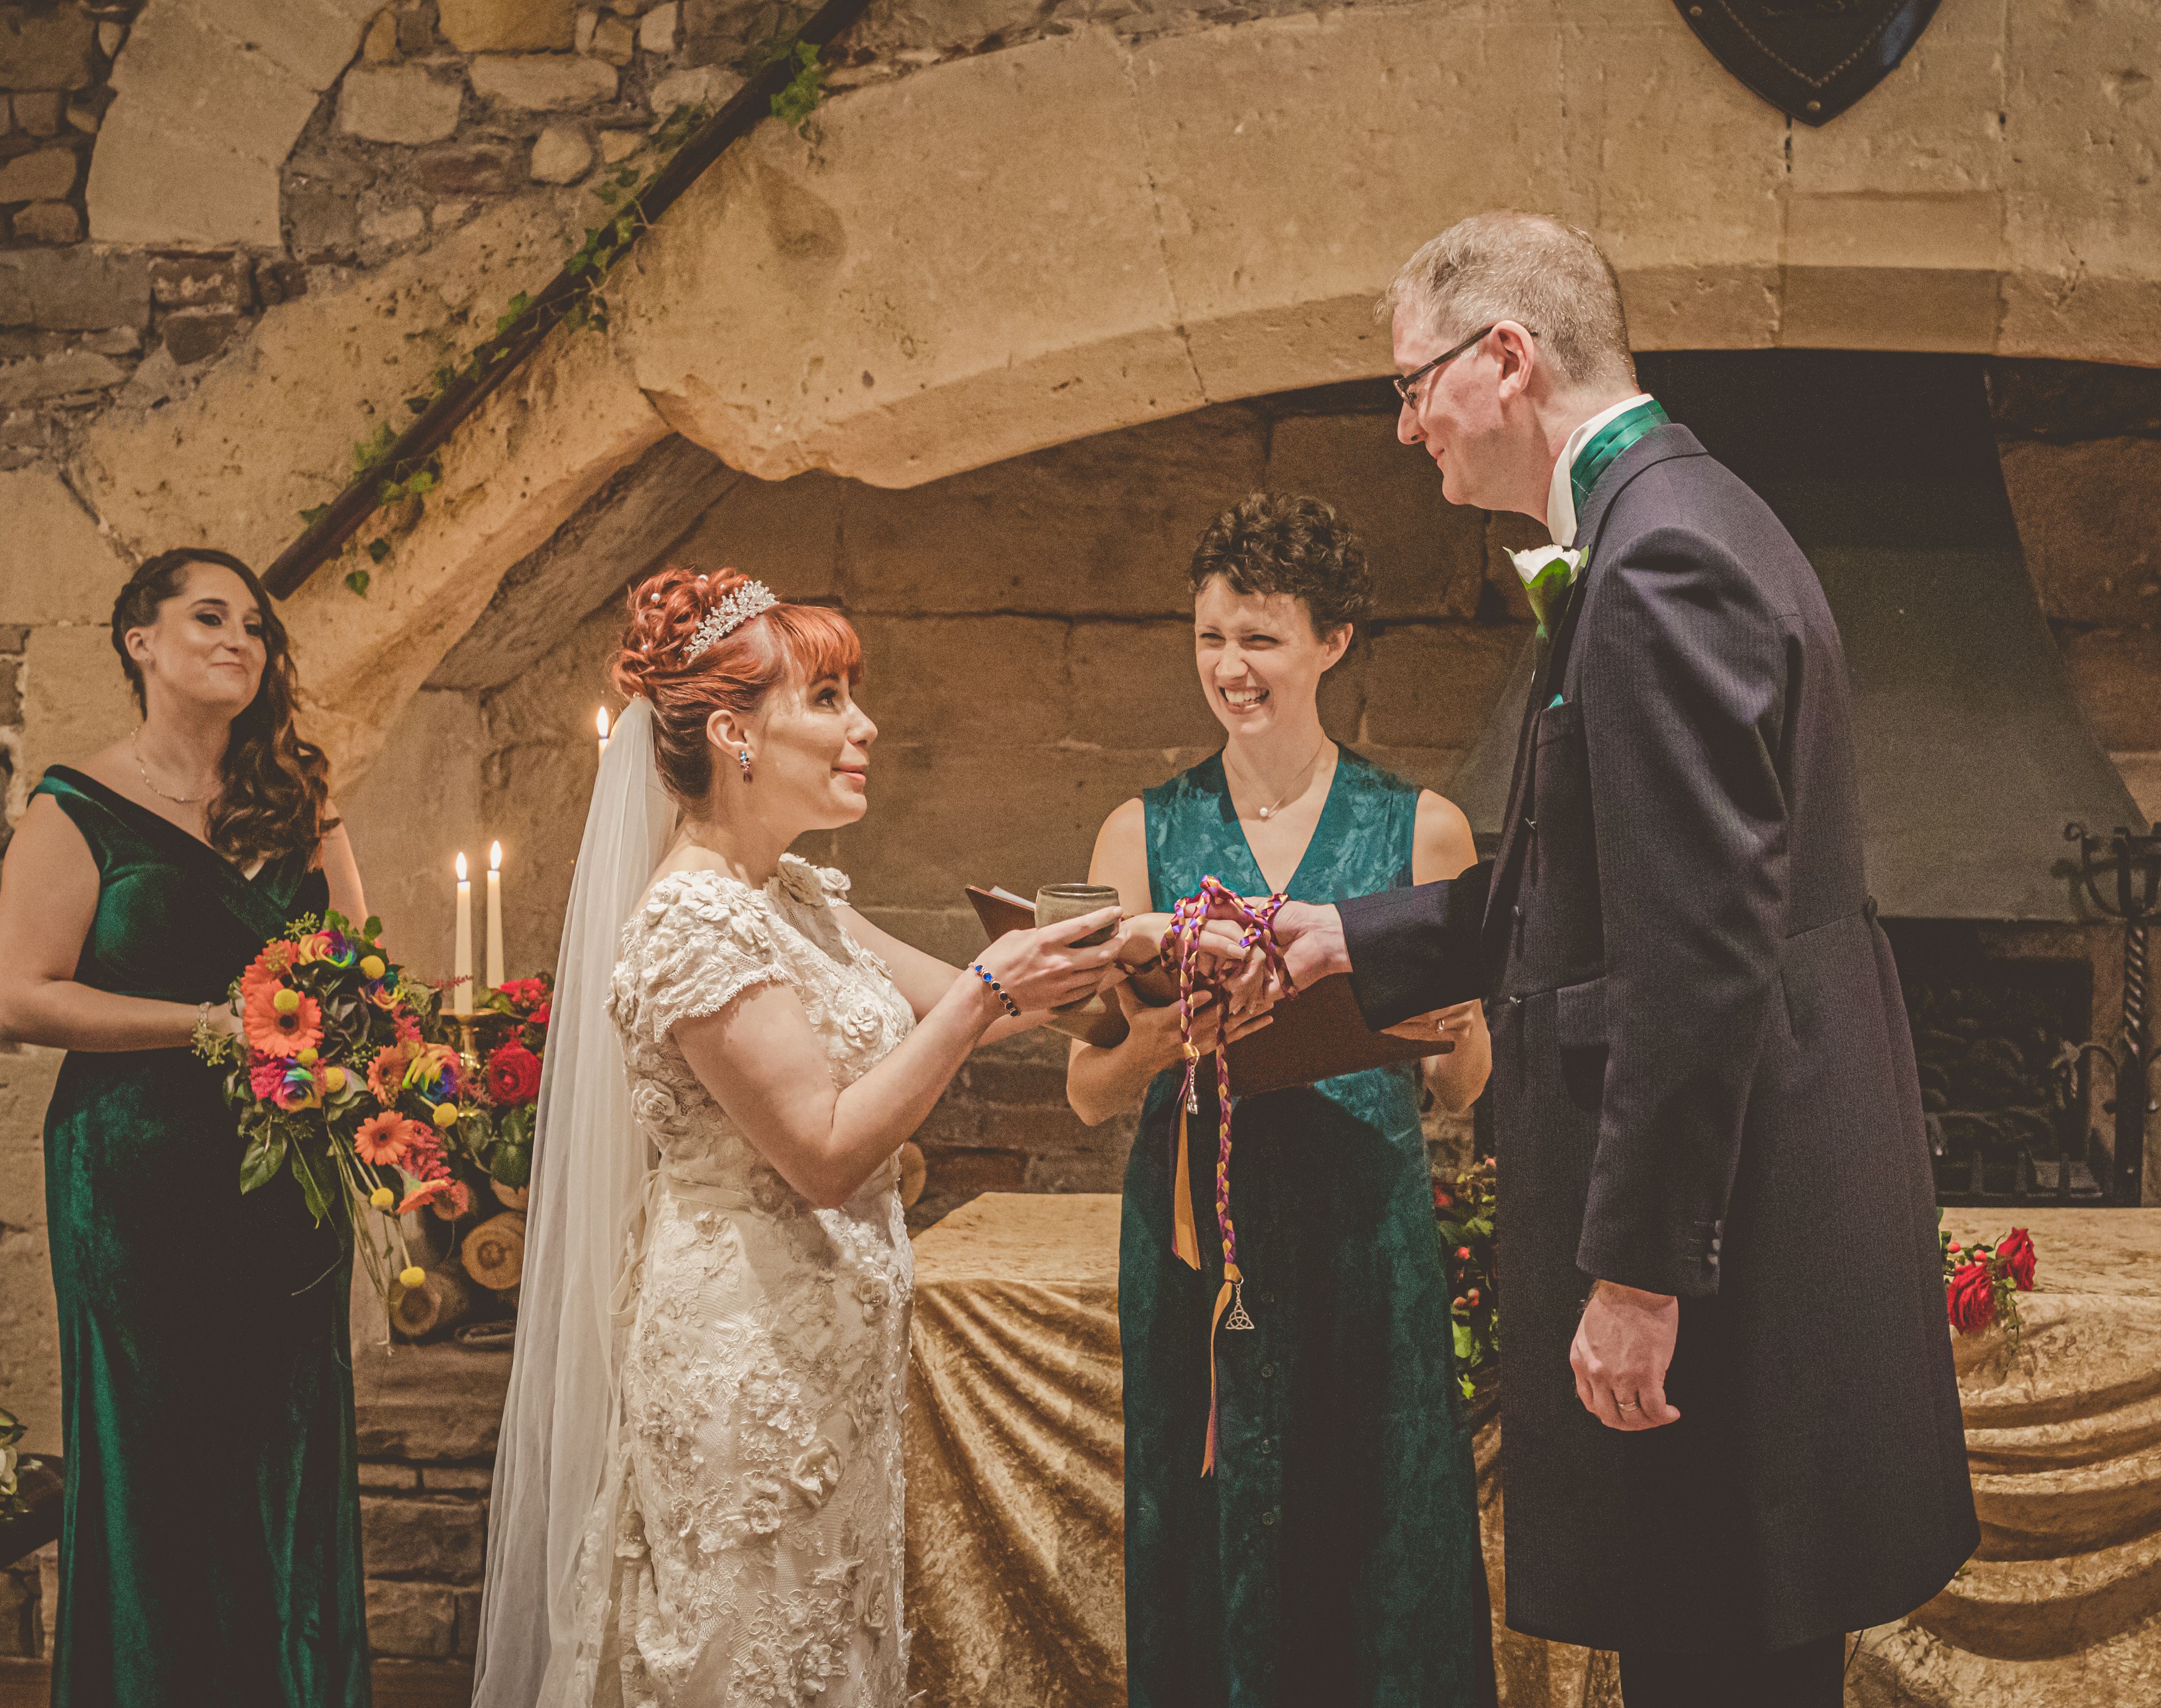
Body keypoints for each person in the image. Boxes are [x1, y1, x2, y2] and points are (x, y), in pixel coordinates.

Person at [1226, 213, 1980, 1704]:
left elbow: (1698, 954)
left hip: (1721, 1252)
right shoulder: (1675, 516)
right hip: (1753, 1211)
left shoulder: (1657, 566)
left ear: (1505, 359)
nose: (1404, 426)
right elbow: (1606, 879)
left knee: (1718, 1665)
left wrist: (1641, 1271)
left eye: (1412, 383)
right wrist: (1349, 935)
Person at [474, 567, 1132, 1708]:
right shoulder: (689, 919)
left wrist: (1155, 953)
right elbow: (823, 1153)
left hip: (831, 1358)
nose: (862, 725)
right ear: (733, 732)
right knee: (748, 1651)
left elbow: (982, 995)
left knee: (830, 1642)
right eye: (826, 698)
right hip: (746, 1361)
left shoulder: (794, 894)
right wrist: (987, 989)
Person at [1067, 495, 1497, 1708]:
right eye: (1209, 636)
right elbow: (1090, 1091)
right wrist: (1163, 1035)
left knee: (1379, 1531)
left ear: (1332, 642)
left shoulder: (1423, 829)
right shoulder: (1138, 832)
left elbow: (1465, 1088)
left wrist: (1457, 1030)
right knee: (1203, 1534)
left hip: (1365, 1238)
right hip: (1199, 1255)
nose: (1228, 667)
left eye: (1258, 637)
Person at [0, 548, 373, 1706]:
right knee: (161, 1461)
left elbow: (357, 977)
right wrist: (213, 1025)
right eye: (209, 616)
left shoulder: (299, 797)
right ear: (139, 641)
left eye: (255, 625)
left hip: (285, 1183)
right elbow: (18, 996)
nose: (239, 640)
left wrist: (376, 1059)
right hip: (138, 1179)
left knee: (285, 1451)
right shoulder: (76, 805)